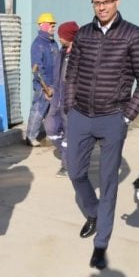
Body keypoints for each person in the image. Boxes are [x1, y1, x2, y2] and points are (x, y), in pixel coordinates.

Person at [64, 0, 139, 270]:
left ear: (118, 0)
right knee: (76, 172)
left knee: (108, 182)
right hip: (80, 115)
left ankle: (101, 242)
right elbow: (72, 73)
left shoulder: (133, 35)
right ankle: (92, 212)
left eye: (107, 1)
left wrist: (127, 115)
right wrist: (68, 108)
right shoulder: (84, 34)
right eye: (96, 2)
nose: (101, 7)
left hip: (112, 117)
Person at [45, 21, 79, 177]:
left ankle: (67, 164)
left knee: (69, 134)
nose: (59, 38)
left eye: (61, 35)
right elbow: (57, 74)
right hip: (57, 98)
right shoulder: (62, 52)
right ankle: (71, 153)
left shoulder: (80, 54)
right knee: (50, 127)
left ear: (69, 36)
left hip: (71, 100)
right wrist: (52, 88)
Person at [25, 12, 58, 146]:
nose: (53, 27)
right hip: (43, 85)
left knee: (53, 111)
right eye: (50, 24)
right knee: (38, 110)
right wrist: (46, 87)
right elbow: (37, 68)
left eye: (53, 25)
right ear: (41, 25)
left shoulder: (53, 43)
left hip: (54, 84)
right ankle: (30, 137)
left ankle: (52, 134)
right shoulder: (38, 45)